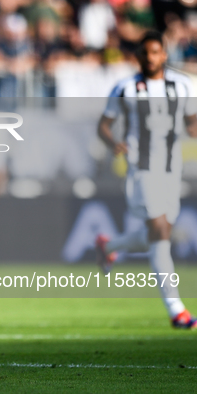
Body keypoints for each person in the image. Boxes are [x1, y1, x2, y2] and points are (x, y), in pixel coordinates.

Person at [96, 31, 197, 329]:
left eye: (155, 52)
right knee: (160, 228)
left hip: (170, 168)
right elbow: (104, 124)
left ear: (164, 54)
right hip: (140, 167)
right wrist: (112, 142)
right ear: (138, 56)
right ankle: (176, 309)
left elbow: (192, 120)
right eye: (145, 53)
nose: (150, 58)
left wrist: (193, 128)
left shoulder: (182, 84)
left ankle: (110, 245)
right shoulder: (125, 87)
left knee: (159, 233)